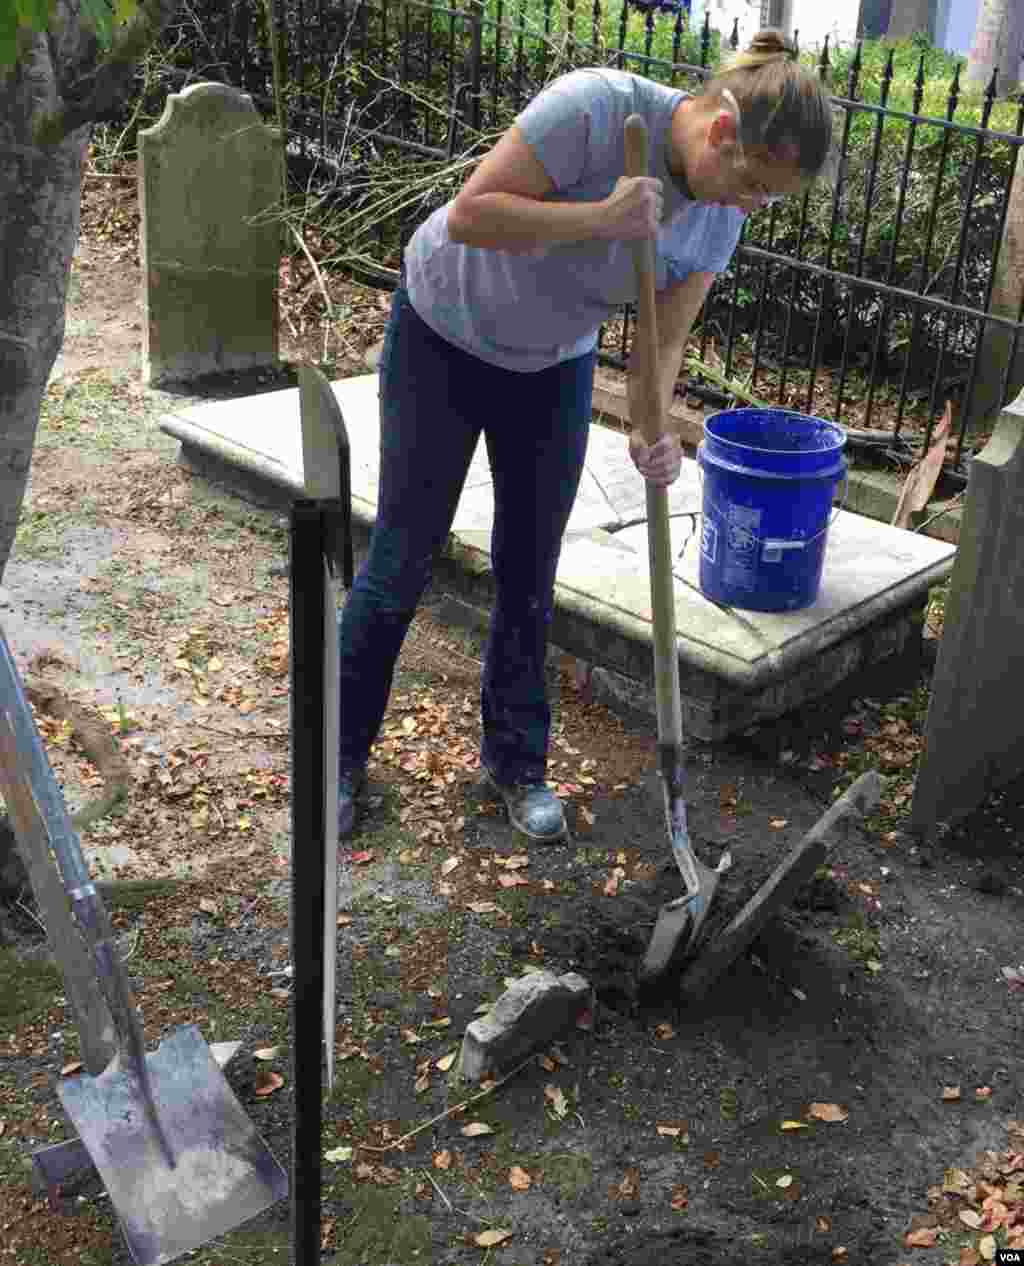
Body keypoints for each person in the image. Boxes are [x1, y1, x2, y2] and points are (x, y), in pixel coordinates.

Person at [336, 28, 834, 842]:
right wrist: (599, 217)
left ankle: (516, 762)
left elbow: (663, 341)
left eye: (769, 199)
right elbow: (471, 215)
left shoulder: (714, 221)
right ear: (720, 132)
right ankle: (340, 759)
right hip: (444, 335)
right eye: (751, 183)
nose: (750, 206)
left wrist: (650, 426)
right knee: (404, 553)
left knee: (531, 565)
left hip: (551, 364)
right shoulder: (595, 111)